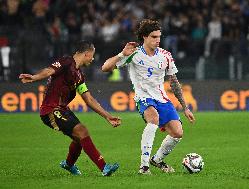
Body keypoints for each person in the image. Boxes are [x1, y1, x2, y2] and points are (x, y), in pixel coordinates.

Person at [102, 19, 195, 174]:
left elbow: (174, 82)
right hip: (143, 97)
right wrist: (121, 54)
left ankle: (156, 160)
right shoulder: (134, 54)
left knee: (178, 133)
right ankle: (144, 167)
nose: (157, 40)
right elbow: (105, 68)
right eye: (153, 37)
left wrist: (185, 107)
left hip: (162, 98)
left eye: (159, 37)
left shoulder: (165, 56)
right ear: (144, 37)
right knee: (153, 119)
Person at [19, 41, 121, 176]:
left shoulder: (79, 76)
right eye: (92, 55)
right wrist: (34, 77)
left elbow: (88, 99)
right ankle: (104, 167)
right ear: (87, 53)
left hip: (63, 109)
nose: (93, 58)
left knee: (80, 139)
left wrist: (107, 116)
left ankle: (68, 164)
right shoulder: (66, 62)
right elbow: (49, 70)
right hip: (51, 110)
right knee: (82, 131)